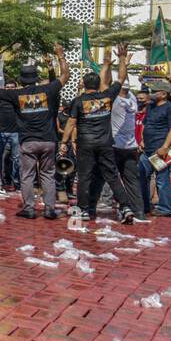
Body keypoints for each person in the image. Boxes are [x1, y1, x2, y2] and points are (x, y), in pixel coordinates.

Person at [0, 43, 69, 219]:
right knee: (48, 175)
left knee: (27, 175)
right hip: (48, 140)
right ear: (35, 77)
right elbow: (65, 76)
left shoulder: (16, 94)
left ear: (21, 80)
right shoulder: (47, 90)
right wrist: (60, 55)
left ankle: (29, 208)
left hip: (28, 141)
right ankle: (49, 209)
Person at [60, 44, 137, 224]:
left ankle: (84, 210)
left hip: (86, 144)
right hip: (105, 143)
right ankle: (125, 207)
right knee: (112, 175)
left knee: (85, 177)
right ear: (97, 85)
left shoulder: (78, 101)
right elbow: (121, 78)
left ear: (84, 85)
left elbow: (71, 122)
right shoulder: (108, 96)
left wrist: (64, 142)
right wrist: (123, 58)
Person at [109, 78, 149, 222]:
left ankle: (124, 206)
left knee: (111, 178)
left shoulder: (116, 102)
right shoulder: (132, 100)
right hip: (131, 147)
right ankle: (139, 213)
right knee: (132, 181)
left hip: (115, 146)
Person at [141, 81, 171, 217]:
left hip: (160, 150)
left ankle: (165, 208)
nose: (151, 94)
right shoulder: (151, 107)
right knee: (141, 175)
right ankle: (144, 205)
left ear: (163, 94)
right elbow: (146, 124)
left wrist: (165, 147)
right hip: (147, 149)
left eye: (155, 91)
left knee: (162, 179)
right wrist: (142, 140)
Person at [0, 77, 22, 191]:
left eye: (12, 87)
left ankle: (16, 182)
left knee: (17, 160)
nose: (10, 89)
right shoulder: (0, 100)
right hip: (1, 132)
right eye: (8, 87)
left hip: (16, 132)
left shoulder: (19, 100)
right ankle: (0, 181)